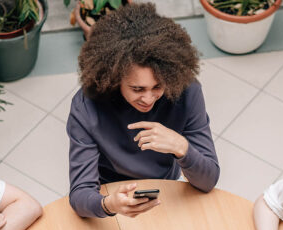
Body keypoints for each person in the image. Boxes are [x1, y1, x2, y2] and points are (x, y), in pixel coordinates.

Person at [67, 2, 220, 218]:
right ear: (114, 78)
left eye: (157, 87)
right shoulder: (87, 106)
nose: (148, 99)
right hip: (108, 190)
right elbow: (80, 194)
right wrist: (109, 204)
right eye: (137, 89)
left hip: (164, 187)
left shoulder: (187, 92)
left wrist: (182, 147)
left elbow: (209, 180)